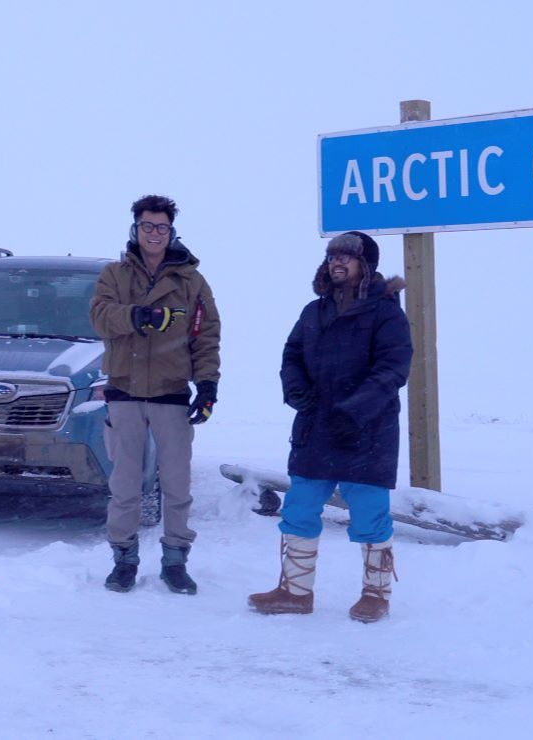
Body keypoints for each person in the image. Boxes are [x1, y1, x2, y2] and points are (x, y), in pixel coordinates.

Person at [248, 230, 412, 622]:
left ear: (365, 265)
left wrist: (353, 410)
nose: (337, 262)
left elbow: (393, 369)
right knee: (300, 507)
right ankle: (295, 591)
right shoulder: (313, 312)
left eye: (347, 257)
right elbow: (292, 355)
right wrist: (297, 392)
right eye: (332, 256)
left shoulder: (386, 312)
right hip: (316, 427)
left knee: (370, 516)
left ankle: (376, 595)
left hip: (368, 432)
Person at [89, 194, 221, 595]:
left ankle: (175, 561)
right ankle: (123, 561)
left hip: (172, 393)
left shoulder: (192, 281)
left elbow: (206, 335)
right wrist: (136, 316)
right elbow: (99, 315)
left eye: (161, 227)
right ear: (136, 228)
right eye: (147, 226)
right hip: (124, 391)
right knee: (126, 485)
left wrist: (208, 385)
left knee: (178, 485)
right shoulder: (114, 275)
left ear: (171, 232)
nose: (154, 234)